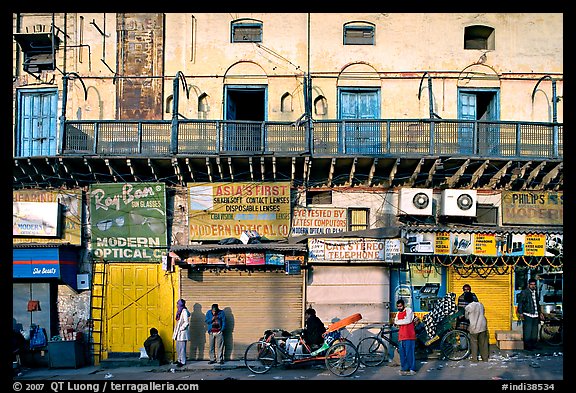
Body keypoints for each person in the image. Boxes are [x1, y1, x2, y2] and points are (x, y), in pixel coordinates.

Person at [517, 278, 544, 351]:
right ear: (528, 285)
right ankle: (527, 346)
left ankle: (534, 344)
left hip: (535, 314)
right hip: (528, 314)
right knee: (527, 331)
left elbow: (537, 303)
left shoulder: (535, 292)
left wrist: (540, 312)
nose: (533, 286)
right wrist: (520, 312)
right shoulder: (524, 292)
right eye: (531, 284)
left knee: (535, 331)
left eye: (534, 284)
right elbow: (521, 303)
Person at [463, 292, 489, 362]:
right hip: (482, 326)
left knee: (474, 343)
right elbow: (483, 313)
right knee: (483, 343)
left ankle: (475, 359)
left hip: (474, 327)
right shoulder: (480, 304)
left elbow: (466, 317)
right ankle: (485, 358)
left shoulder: (468, 307)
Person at [394, 299, 417, 376]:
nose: (399, 308)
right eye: (398, 306)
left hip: (409, 336)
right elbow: (395, 321)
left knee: (409, 353)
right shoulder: (398, 313)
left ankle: (412, 368)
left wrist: (400, 322)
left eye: (400, 306)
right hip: (401, 336)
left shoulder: (409, 311)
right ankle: (404, 368)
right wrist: (401, 321)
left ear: (403, 305)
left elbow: (407, 321)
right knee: (402, 354)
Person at [172, 299, 191, 367]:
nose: (177, 305)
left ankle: (182, 361)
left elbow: (186, 322)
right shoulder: (179, 311)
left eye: (177, 304)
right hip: (178, 333)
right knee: (178, 347)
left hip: (182, 333)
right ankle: (179, 359)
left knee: (182, 348)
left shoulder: (184, 311)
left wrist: (181, 328)